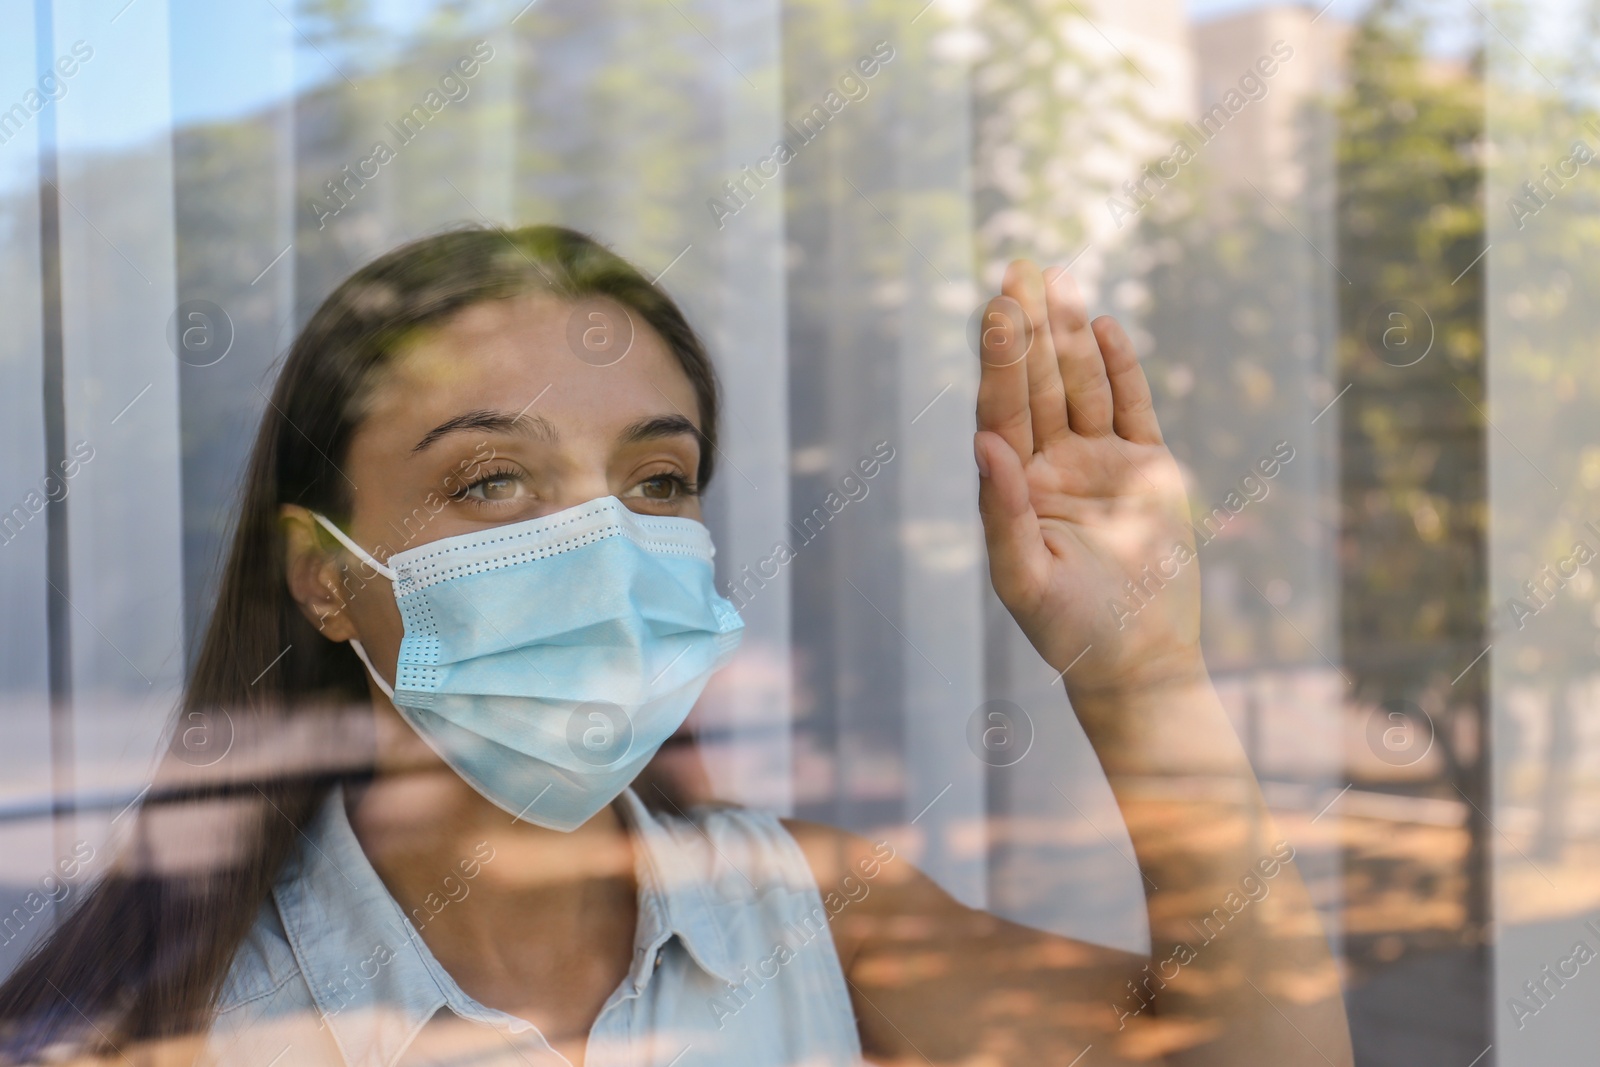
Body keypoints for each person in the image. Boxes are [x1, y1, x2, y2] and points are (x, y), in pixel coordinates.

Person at [0, 226, 1352, 1066]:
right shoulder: (154, 1031)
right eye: (492, 482)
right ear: (324, 582)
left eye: (656, 483)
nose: (604, 546)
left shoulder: (808, 909)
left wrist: (1144, 677)